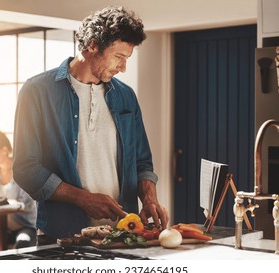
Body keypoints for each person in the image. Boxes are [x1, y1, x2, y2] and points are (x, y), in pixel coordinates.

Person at [13, 6, 169, 245]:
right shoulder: (37, 91)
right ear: (93, 45)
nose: (123, 67)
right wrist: (82, 199)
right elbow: (25, 169)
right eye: (119, 57)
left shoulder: (126, 96)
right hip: (63, 234)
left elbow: (142, 161)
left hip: (122, 234)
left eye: (127, 59)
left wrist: (149, 199)